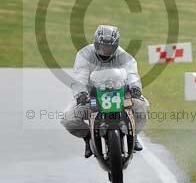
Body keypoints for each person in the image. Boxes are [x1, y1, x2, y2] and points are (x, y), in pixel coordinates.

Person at [61, 25, 149, 158]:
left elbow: (132, 74)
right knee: (68, 119)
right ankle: (88, 137)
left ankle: (134, 134)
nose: (105, 50)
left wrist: (135, 88)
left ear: (115, 45)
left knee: (142, 106)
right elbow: (79, 77)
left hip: (120, 94)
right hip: (92, 96)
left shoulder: (123, 55)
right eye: (102, 46)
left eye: (109, 47)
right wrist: (80, 94)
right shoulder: (84, 54)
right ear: (96, 42)